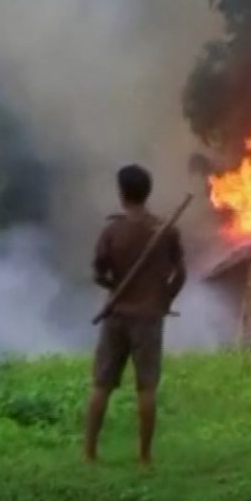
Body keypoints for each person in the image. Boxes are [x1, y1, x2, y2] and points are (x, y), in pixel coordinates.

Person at [84, 164, 186, 466]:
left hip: (116, 315)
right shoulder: (165, 230)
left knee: (102, 384)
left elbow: (98, 273)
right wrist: (165, 297)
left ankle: (89, 452)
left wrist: (114, 287)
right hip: (149, 318)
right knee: (147, 388)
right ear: (148, 192)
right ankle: (144, 456)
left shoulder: (112, 231)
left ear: (121, 193)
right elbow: (180, 273)